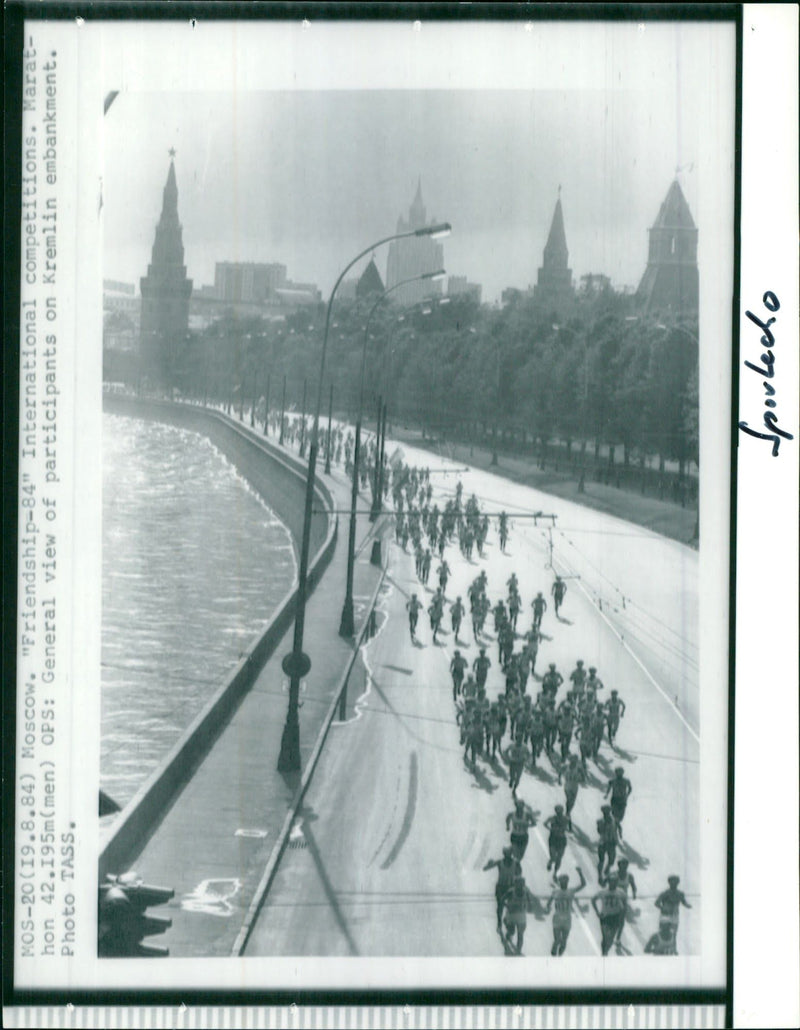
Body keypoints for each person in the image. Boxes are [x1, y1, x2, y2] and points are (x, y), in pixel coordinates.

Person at [545, 868, 587, 956]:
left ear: (567, 882)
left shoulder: (571, 891)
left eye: (565, 881)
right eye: (562, 881)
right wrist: (547, 908)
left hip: (567, 919)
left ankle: (560, 955)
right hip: (557, 918)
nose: (564, 883)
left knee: (564, 941)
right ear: (559, 882)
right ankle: (554, 953)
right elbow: (549, 903)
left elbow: (583, 884)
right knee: (556, 940)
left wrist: (580, 873)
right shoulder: (555, 891)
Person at [483, 847, 522, 930]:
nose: (508, 857)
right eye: (506, 855)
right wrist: (489, 863)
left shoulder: (514, 863)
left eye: (509, 855)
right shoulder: (500, 863)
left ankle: (506, 921)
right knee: (500, 906)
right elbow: (485, 869)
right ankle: (499, 923)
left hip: (510, 887)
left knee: (511, 906)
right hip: (501, 887)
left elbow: (519, 873)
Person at [592, 872, 628, 955]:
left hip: (615, 916)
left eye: (615, 881)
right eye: (612, 881)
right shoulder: (603, 892)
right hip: (605, 916)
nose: (614, 883)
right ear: (609, 882)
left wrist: (622, 915)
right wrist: (597, 911)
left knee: (611, 939)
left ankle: (606, 951)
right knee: (605, 937)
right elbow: (593, 899)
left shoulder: (621, 892)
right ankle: (604, 953)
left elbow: (625, 904)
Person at [501, 875, 536, 955]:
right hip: (511, 915)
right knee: (512, 931)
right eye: (518, 883)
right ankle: (508, 929)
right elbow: (502, 899)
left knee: (520, 935)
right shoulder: (510, 892)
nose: (520, 885)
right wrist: (507, 906)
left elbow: (530, 902)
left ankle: (518, 951)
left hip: (521, 916)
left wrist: (530, 907)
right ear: (515, 884)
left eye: (522, 883)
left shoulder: (526, 892)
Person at [558, 753, 585, 828]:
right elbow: (560, 771)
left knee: (572, 803)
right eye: (572, 760)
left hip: (575, 786)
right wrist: (559, 780)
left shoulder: (579, 768)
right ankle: (568, 818)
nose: (573, 762)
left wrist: (580, 779)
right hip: (567, 785)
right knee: (569, 801)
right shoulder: (566, 766)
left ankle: (567, 814)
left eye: (575, 760)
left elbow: (583, 777)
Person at [604, 767, 633, 832]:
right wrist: (606, 794)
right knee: (614, 816)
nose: (619, 774)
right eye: (618, 772)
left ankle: (617, 827)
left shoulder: (626, 781)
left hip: (622, 801)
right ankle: (615, 828)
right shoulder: (612, 781)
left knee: (620, 817)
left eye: (620, 772)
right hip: (615, 800)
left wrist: (627, 795)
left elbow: (630, 788)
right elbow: (609, 788)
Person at [596, 805, 621, 878]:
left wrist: (619, 833)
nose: (606, 814)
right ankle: (600, 874)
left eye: (607, 812)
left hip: (612, 842)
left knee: (612, 860)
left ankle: (607, 868)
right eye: (604, 813)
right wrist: (602, 826)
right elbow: (599, 831)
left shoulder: (615, 820)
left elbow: (619, 826)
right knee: (601, 860)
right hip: (603, 843)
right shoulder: (600, 821)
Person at [544, 805, 570, 874]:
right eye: (558, 811)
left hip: (561, 839)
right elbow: (545, 823)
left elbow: (569, 828)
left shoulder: (566, 819)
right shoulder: (552, 818)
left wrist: (565, 830)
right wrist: (550, 829)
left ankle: (555, 872)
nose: (559, 813)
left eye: (560, 811)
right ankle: (550, 861)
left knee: (559, 858)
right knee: (553, 857)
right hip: (553, 838)